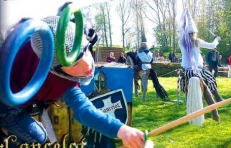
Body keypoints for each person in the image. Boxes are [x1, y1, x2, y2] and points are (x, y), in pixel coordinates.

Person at [0, 2, 144, 148]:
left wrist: (123, 130)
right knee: (39, 138)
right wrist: (121, 131)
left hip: (17, 96)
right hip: (6, 104)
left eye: (86, 52)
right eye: (74, 64)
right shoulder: (61, 79)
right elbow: (84, 111)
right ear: (55, 69)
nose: (87, 65)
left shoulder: (45, 39)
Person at [178, 8, 224, 121]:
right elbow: (212, 45)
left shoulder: (181, 42)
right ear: (194, 32)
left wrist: (187, 16)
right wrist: (217, 39)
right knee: (208, 86)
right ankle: (215, 112)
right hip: (198, 70)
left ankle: (193, 111)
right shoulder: (197, 41)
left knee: (188, 90)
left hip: (187, 71)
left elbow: (182, 33)